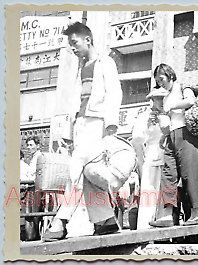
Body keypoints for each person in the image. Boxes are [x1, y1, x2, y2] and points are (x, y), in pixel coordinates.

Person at [43, 21, 123, 241]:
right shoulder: (81, 68)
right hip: (81, 126)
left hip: (97, 124)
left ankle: (61, 221)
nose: (73, 48)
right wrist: (69, 133)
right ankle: (105, 221)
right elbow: (75, 102)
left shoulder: (105, 62)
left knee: (75, 170)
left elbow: (114, 93)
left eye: (75, 42)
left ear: (88, 39)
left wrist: (111, 127)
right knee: (86, 174)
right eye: (70, 45)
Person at [149, 63, 198, 227]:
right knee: (168, 173)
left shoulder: (183, 87)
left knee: (190, 173)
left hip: (186, 134)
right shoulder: (166, 94)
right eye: (158, 81)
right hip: (172, 135)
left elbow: (190, 101)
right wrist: (164, 136)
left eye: (161, 78)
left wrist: (172, 106)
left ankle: (195, 214)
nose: (160, 82)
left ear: (169, 74)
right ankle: (167, 214)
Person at [131, 87, 170, 229]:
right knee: (149, 192)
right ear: (152, 100)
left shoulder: (170, 114)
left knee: (165, 193)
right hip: (151, 156)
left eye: (163, 98)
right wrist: (147, 125)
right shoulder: (144, 116)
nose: (161, 101)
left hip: (167, 157)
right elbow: (137, 139)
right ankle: (145, 227)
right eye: (158, 98)